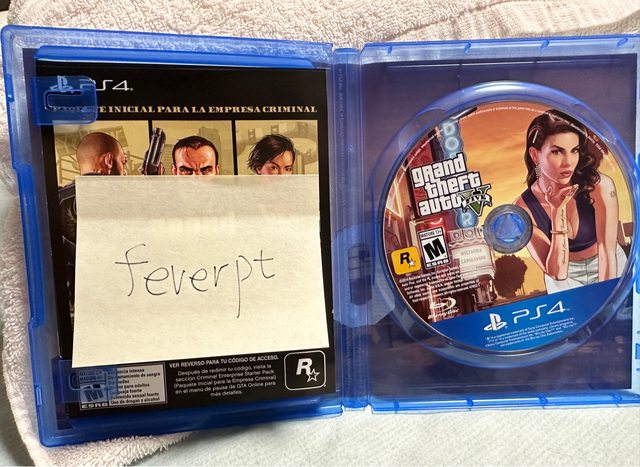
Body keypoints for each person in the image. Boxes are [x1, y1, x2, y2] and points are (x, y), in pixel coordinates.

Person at [514, 109, 626, 293]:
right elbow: (558, 273)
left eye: (574, 150)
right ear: (534, 155)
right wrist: (557, 210)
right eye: (557, 151)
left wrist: (608, 299)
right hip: (564, 279)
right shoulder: (523, 209)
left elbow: (607, 252)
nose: (568, 162)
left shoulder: (600, 186)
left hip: (609, 264)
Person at [58, 132, 127, 321]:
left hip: (69, 313)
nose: (125, 172)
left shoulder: (54, 199)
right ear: (109, 161)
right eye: (123, 162)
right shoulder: (122, 201)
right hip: (114, 309)